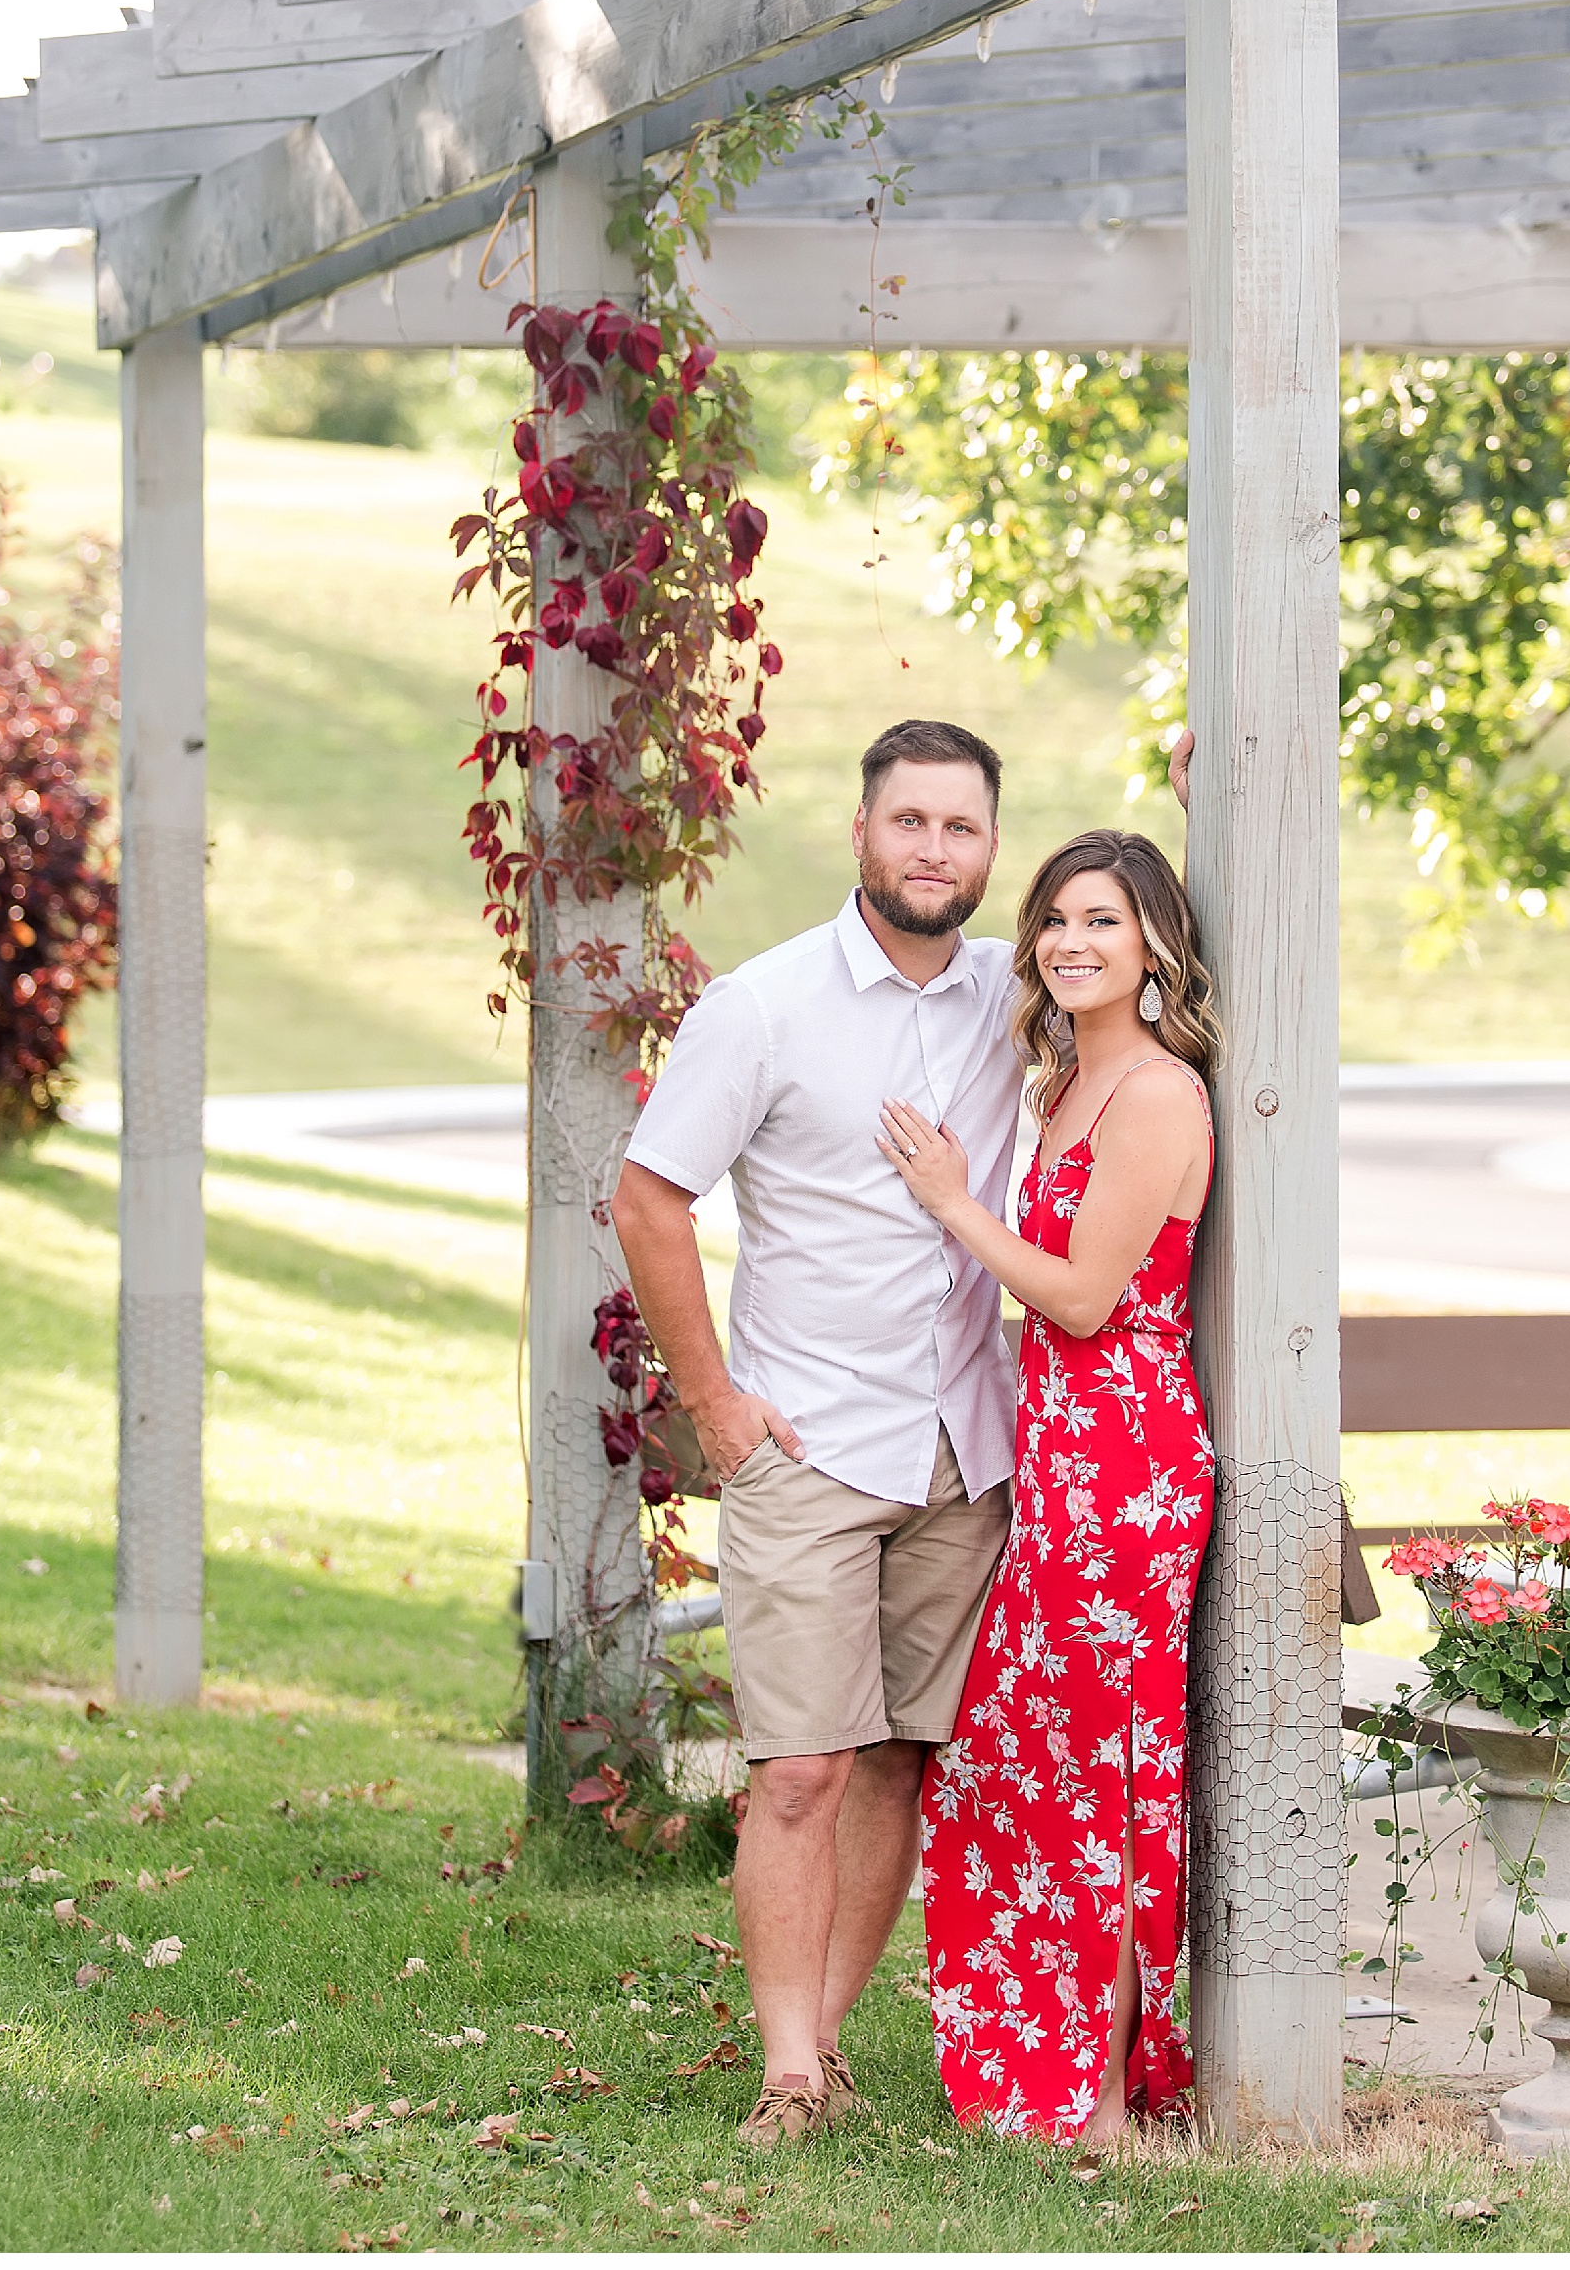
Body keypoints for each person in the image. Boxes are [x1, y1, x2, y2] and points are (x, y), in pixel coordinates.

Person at [609, 719, 1023, 2150]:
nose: (933, 851)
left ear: (989, 849)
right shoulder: (765, 1005)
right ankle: (785, 2075)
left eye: (960, 829)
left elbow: (1141, 944)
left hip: (965, 1449)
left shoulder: (1009, 997)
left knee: (900, 1756)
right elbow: (648, 1197)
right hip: (812, 1442)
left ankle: (825, 2047)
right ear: (860, 831)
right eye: (909, 822)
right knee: (800, 1768)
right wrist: (715, 1404)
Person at [877, 826, 1219, 2147]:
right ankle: (1044, 2058)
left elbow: (1081, 1298)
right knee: (1014, 1760)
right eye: (1058, 921)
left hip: (1127, 1460)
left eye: (1106, 923)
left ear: (1153, 948)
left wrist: (954, 1205)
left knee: (1106, 1773)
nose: (1073, 943)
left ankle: (1109, 2095)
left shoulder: (1156, 1097)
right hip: (1063, 1450)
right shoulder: (1070, 1075)